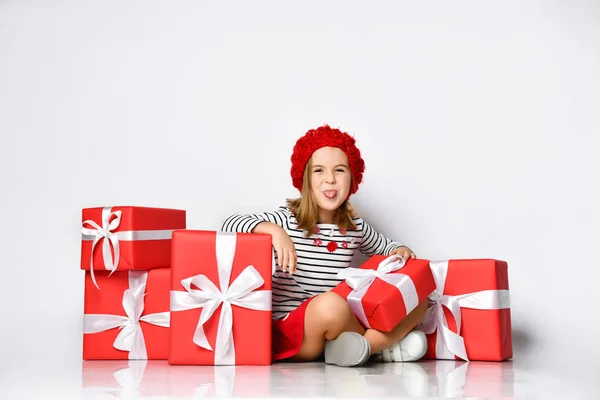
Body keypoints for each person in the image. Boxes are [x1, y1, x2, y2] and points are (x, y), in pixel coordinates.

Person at [221, 125, 429, 367]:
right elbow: (229, 224)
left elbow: (386, 246)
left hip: (338, 322)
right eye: (319, 170)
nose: (330, 179)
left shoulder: (354, 227)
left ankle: (364, 347)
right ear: (305, 179)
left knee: (418, 296)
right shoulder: (286, 220)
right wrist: (273, 231)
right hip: (294, 330)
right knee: (331, 304)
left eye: (339, 170)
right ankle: (384, 348)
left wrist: (399, 249)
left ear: (352, 178)